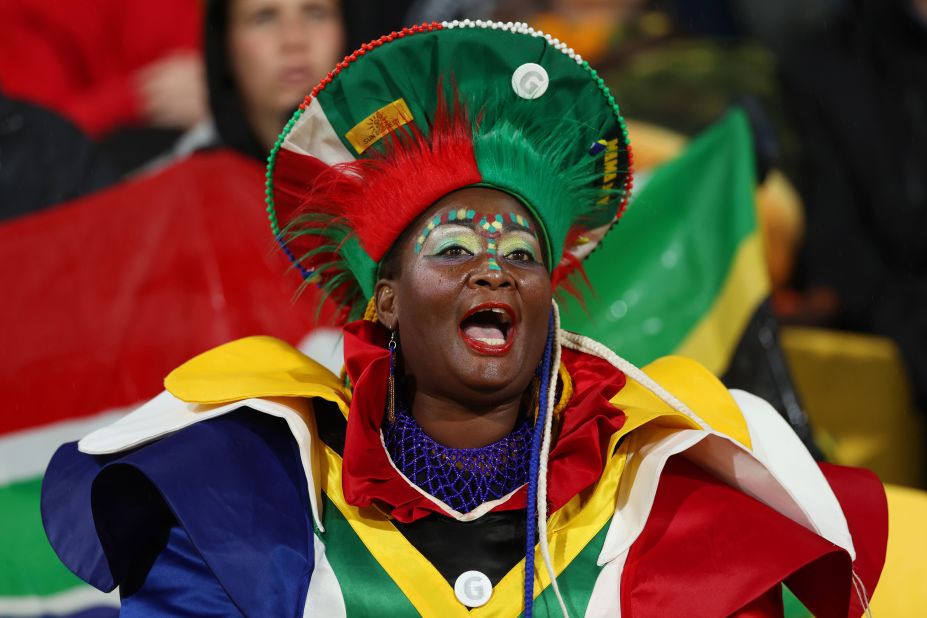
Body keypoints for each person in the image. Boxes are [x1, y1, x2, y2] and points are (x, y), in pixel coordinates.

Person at [42, 20, 886, 616]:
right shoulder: (254, 494)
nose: (494, 266)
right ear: (386, 299)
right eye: (452, 251)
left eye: (522, 256)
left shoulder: (665, 495)